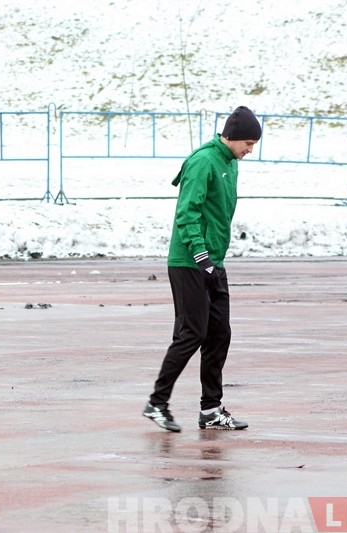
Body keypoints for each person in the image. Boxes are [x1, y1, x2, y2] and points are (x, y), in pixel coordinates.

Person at [142, 106, 261, 432]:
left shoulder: (229, 164)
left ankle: (210, 409)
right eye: (248, 143)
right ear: (233, 136)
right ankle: (157, 403)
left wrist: (213, 258)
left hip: (213, 262)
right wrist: (200, 253)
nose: (250, 150)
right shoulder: (203, 161)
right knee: (191, 333)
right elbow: (187, 212)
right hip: (190, 263)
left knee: (219, 333)